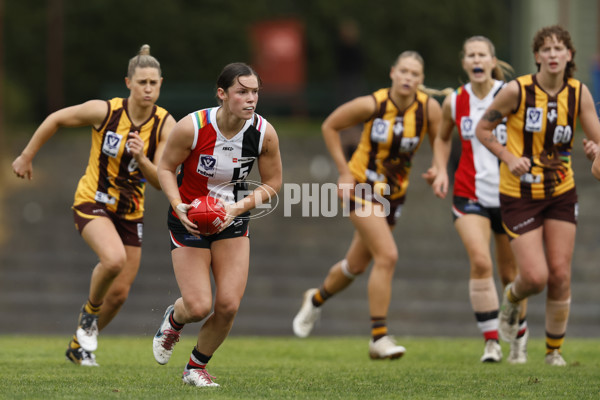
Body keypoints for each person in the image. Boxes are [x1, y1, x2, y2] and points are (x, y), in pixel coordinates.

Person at [11, 45, 176, 366]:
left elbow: (159, 180)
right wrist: (26, 155)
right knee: (112, 260)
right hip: (93, 201)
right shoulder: (105, 111)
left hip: (131, 212)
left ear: (160, 84)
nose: (148, 89)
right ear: (128, 83)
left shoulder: (165, 125)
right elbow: (56, 118)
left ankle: (78, 344)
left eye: (154, 83)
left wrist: (141, 157)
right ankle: (88, 314)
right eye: (142, 82)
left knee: (119, 294)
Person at [292, 51, 442, 359]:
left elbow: (441, 139)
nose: (408, 78)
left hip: (393, 195)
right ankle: (379, 337)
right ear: (392, 73)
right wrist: (344, 171)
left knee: (356, 266)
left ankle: (315, 299)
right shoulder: (373, 104)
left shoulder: (430, 109)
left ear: (421, 80)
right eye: (403, 71)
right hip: (361, 187)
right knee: (387, 255)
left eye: (414, 74)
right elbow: (329, 126)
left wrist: (439, 166)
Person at [475, 25, 600, 366]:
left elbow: (599, 145)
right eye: (546, 49)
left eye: (560, 48)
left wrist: (594, 155)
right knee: (535, 277)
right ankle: (512, 298)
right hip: (519, 194)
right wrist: (508, 157)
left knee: (560, 273)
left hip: (561, 191)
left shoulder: (579, 94)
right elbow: (482, 129)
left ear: (569, 55)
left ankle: (553, 352)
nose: (553, 54)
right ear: (537, 56)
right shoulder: (517, 91)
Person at [152, 62, 282, 387]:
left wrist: (237, 208)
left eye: (255, 92)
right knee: (198, 306)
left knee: (227, 305)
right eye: (242, 92)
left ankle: (195, 367)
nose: (251, 99)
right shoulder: (192, 127)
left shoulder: (263, 133)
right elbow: (165, 168)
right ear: (222, 94)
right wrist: (177, 205)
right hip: (190, 219)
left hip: (231, 220)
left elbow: (274, 182)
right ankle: (174, 318)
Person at [429, 36, 529, 364]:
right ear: (464, 62)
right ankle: (491, 343)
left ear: (491, 60)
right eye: (470, 54)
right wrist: (440, 169)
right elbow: (443, 137)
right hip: (469, 193)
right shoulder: (454, 101)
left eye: (481, 54)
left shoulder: (510, 94)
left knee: (510, 273)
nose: (476, 59)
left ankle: (518, 337)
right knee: (481, 262)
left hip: (511, 195)